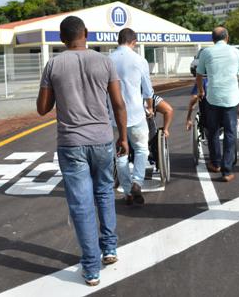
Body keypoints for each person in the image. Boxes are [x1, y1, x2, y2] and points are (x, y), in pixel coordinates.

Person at [36, 16, 128, 286]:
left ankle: (90, 268)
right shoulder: (104, 62)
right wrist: (122, 137)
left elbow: (42, 108)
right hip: (102, 140)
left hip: (71, 143)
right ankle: (109, 248)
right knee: (104, 192)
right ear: (86, 34)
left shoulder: (53, 64)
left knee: (81, 204)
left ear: (62, 39)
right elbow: (119, 104)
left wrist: (55, 88)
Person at [109, 28, 154, 206]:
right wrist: (150, 107)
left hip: (113, 115)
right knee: (142, 149)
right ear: (133, 42)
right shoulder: (139, 60)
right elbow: (148, 89)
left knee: (121, 154)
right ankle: (137, 182)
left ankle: (128, 192)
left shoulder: (107, 60)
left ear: (118, 40)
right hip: (135, 113)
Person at [195, 26, 239, 182]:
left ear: (212, 39)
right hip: (231, 98)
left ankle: (215, 164)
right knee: (230, 133)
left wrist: (201, 91)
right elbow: (237, 73)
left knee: (213, 131)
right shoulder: (235, 52)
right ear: (227, 37)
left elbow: (199, 75)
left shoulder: (206, 52)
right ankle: (227, 171)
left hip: (213, 97)